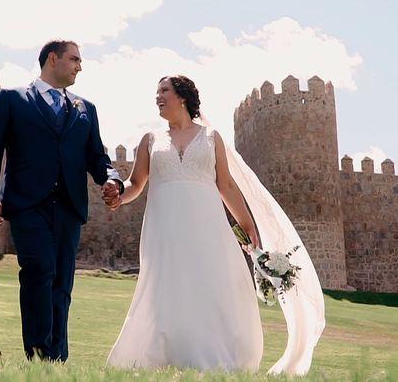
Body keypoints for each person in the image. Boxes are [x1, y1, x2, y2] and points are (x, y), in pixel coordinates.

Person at [106, 75, 325, 375]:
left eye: (163, 91)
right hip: (164, 229)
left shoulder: (211, 138)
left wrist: (248, 224)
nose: (157, 97)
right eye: (156, 92)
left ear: (182, 97)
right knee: (164, 285)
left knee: (210, 284)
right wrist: (120, 196)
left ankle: (210, 354)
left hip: (206, 227)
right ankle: (161, 352)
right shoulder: (150, 140)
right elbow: (135, 183)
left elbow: (227, 186)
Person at [0, 40, 123, 362]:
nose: (79, 66)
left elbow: (96, 156)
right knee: (38, 271)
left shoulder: (87, 109)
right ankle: (39, 355)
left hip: (69, 206)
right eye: (74, 59)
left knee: (61, 282)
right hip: (28, 204)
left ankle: (56, 360)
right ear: (52, 59)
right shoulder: (12, 100)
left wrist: (111, 178)